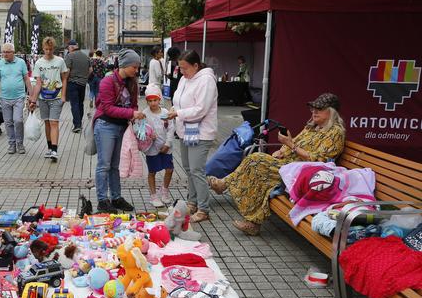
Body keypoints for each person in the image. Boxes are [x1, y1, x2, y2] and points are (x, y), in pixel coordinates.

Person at [208, 93, 346, 236]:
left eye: (319, 109)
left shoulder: (335, 133)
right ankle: (252, 222)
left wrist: (290, 145)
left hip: (305, 174)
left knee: (256, 160)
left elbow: (320, 161)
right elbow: (294, 143)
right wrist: (282, 150)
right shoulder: (312, 127)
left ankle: (225, 184)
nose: (314, 111)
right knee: (258, 170)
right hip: (290, 166)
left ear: (332, 112)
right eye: (313, 108)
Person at [167, 50, 217, 223]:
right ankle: (192, 202)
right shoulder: (184, 79)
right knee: (189, 169)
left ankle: (204, 209)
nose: (182, 72)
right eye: (180, 68)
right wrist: (174, 111)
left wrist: (178, 113)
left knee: (197, 170)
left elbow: (201, 109)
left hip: (201, 131)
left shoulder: (206, 80)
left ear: (196, 66)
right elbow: (179, 100)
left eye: (185, 68)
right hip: (187, 129)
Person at [93, 48, 144, 213]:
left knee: (115, 166)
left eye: (137, 68)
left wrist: (134, 114)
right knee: (104, 165)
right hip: (105, 126)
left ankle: (116, 197)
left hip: (121, 127)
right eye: (134, 67)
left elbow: (134, 103)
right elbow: (107, 108)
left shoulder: (131, 82)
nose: (136, 71)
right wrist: (131, 113)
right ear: (124, 65)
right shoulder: (107, 82)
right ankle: (102, 200)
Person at [29, 36, 68, 162]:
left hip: (56, 96)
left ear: (53, 49)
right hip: (43, 98)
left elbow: (64, 79)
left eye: (50, 49)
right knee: (46, 122)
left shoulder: (60, 61)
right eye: (46, 49)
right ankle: (50, 148)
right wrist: (33, 101)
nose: (48, 52)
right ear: (43, 48)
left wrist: (63, 96)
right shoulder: (39, 63)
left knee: (54, 122)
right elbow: (38, 83)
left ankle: (55, 150)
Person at [0, 42, 32, 154]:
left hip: (19, 97)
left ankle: (20, 143)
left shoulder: (21, 62)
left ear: (13, 52)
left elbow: (26, 79)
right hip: (4, 98)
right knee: (8, 122)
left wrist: (32, 96)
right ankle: (11, 144)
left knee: (18, 120)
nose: (5, 54)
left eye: (7, 52)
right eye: (3, 52)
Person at [142, 84, 175, 207]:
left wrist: (168, 144)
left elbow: (171, 129)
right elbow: (141, 130)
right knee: (152, 172)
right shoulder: (144, 114)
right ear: (146, 101)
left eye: (155, 100)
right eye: (150, 101)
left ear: (159, 99)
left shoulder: (166, 113)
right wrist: (148, 136)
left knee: (169, 169)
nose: (153, 103)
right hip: (152, 149)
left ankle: (164, 191)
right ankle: (153, 195)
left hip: (166, 147)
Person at [64, 40, 90, 133]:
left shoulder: (69, 56)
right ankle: (79, 123)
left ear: (71, 47)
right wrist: (85, 78)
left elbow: (66, 70)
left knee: (74, 104)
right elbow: (90, 70)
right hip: (83, 84)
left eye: (68, 48)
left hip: (72, 83)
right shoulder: (86, 56)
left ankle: (77, 125)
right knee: (80, 104)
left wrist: (65, 81)